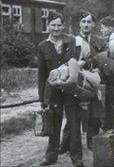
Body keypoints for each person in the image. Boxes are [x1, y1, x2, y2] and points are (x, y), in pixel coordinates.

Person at [38, 11, 83, 167]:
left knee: (74, 123)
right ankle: (51, 156)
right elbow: (42, 74)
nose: (56, 28)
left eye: (59, 25)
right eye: (53, 25)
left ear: (63, 26)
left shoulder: (71, 40)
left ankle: (76, 157)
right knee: (54, 123)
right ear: (48, 26)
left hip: (70, 88)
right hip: (53, 90)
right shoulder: (43, 46)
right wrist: (42, 98)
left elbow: (77, 62)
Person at [59, 10, 106, 154]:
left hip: (93, 80)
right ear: (79, 24)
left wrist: (96, 68)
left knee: (94, 112)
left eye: (89, 22)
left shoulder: (100, 41)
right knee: (73, 112)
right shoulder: (71, 41)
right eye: (83, 22)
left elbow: (104, 60)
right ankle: (66, 143)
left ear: (93, 24)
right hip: (77, 80)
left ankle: (92, 141)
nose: (86, 25)